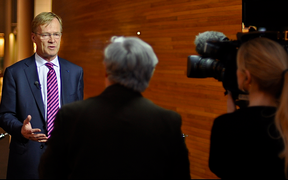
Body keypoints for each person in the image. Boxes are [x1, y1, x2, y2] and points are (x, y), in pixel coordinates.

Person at [38, 36, 191, 179]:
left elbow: (49, 172)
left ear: (106, 71)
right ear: (149, 74)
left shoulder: (71, 115)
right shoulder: (168, 121)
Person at [0, 12, 84, 179]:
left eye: (56, 34)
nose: (52, 40)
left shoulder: (75, 72)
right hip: (27, 160)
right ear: (34, 37)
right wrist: (20, 129)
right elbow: (5, 114)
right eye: (46, 34)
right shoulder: (15, 72)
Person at [208, 37, 288, 179]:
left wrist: (231, 118)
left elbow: (219, 168)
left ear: (248, 77)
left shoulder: (225, 125)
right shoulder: (284, 122)